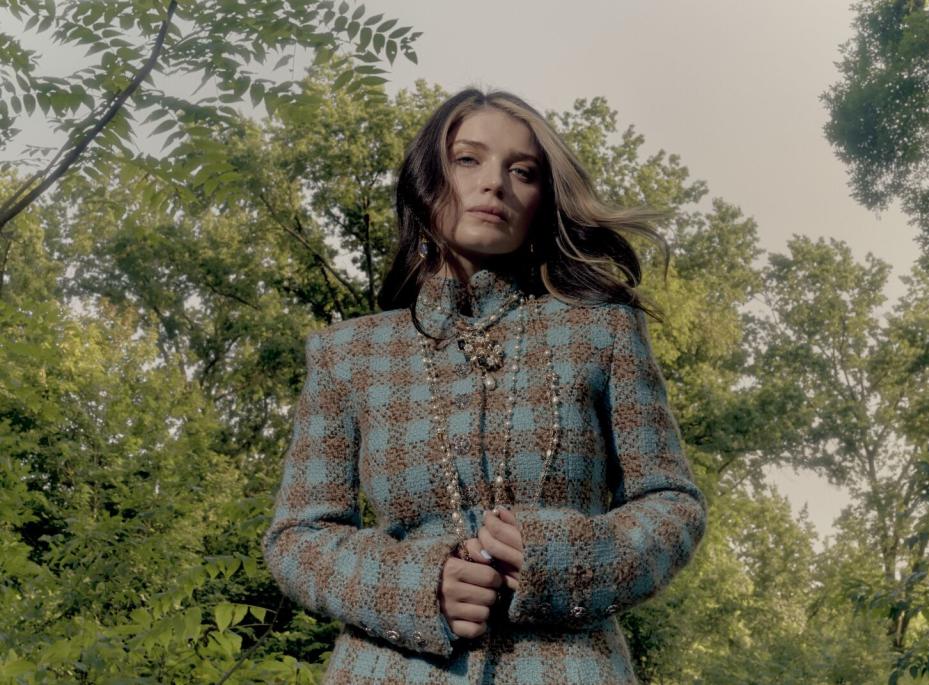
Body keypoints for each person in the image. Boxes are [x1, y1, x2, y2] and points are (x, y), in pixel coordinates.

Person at [261, 87, 708, 685]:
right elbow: (298, 537)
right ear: (428, 181)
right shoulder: (348, 354)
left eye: (522, 171)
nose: (494, 183)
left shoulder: (603, 333)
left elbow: (672, 503)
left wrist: (567, 558)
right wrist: (418, 584)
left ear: (543, 200)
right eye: (468, 159)